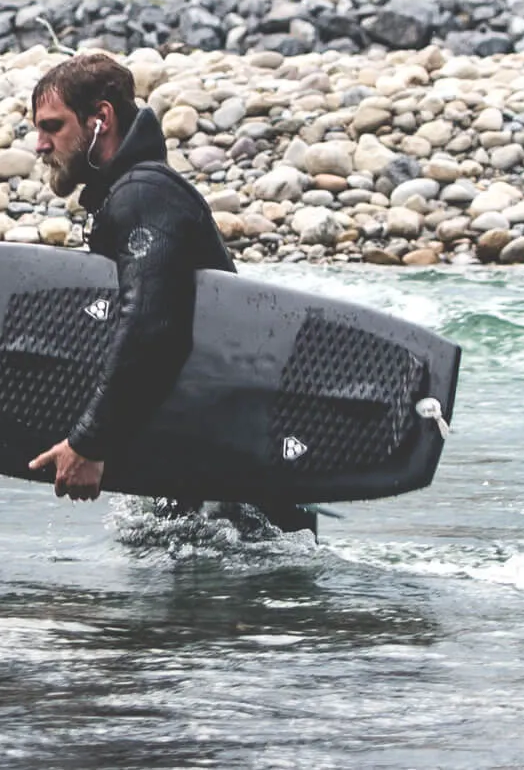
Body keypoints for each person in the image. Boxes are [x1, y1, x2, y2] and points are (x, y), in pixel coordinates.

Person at [28, 53, 314, 534]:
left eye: (52, 126)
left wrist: (90, 443)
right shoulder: (131, 193)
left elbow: (152, 326)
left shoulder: (143, 195)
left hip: (232, 486)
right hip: (211, 465)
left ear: (102, 119)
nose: (40, 145)